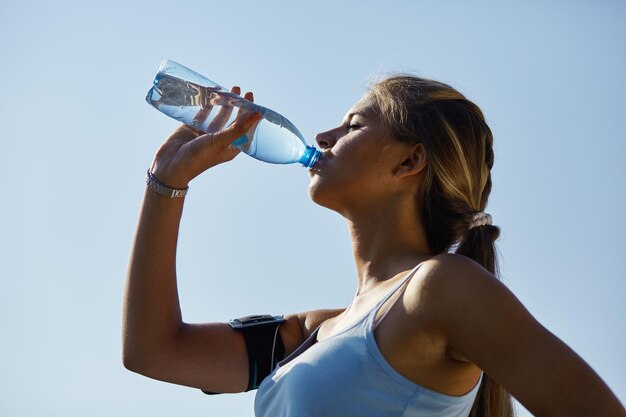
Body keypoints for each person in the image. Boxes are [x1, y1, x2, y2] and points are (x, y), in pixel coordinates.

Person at [122, 77, 625, 417]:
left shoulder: (438, 288)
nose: (323, 135)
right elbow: (154, 351)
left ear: (410, 162)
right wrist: (166, 180)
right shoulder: (314, 332)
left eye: (354, 125)